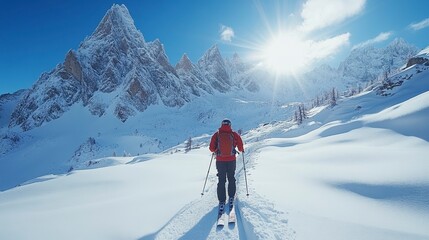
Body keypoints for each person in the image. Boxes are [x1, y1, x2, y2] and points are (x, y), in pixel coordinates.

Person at [209, 118, 244, 217]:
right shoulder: (234, 134)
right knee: (231, 178)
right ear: (230, 125)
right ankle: (231, 197)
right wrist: (241, 149)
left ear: (221, 124)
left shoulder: (217, 134)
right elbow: (240, 147)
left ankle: (221, 200)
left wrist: (217, 150)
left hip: (220, 161)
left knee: (221, 180)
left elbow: (211, 148)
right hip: (231, 160)